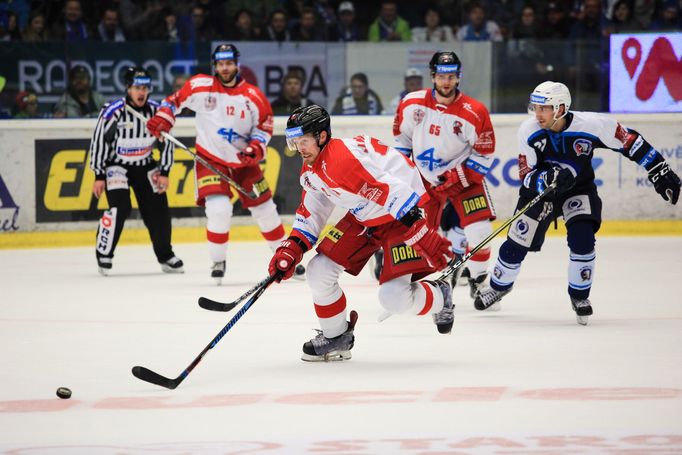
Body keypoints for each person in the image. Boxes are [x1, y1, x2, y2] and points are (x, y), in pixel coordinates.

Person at [474, 81, 681, 324]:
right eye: (536, 107)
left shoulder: (593, 125)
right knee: (516, 242)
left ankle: (580, 296)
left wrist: (658, 168)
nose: (537, 114)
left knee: (582, 239)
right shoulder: (528, 130)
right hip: (542, 193)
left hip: (578, 189)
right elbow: (525, 173)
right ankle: (499, 287)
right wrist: (545, 179)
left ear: (560, 109)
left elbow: (630, 142)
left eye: (544, 108)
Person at [268, 105, 455, 362]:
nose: (299, 148)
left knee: (394, 298)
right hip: (366, 214)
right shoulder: (312, 168)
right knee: (318, 272)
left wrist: (417, 228)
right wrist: (291, 249)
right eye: (295, 142)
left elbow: (392, 190)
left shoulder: (341, 161)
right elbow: (312, 213)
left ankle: (440, 296)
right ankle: (336, 337)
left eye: (304, 141)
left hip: (404, 212)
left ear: (322, 137)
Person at [146, 44, 303, 284]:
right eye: (220, 64)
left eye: (229, 63)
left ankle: (284, 258)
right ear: (215, 65)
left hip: (244, 162)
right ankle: (218, 260)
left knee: (265, 210)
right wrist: (163, 119)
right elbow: (173, 101)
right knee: (219, 210)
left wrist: (255, 148)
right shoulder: (200, 87)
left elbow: (264, 126)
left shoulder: (253, 96)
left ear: (237, 64)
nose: (225, 68)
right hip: (211, 162)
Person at [391, 51, 497, 304]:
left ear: (458, 77)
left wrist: (459, 175)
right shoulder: (411, 103)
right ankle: (419, 283)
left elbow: (484, 153)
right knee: (418, 233)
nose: (446, 82)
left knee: (480, 230)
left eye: (451, 76)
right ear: (433, 77)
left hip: (463, 178)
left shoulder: (475, 111)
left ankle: (479, 280)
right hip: (425, 179)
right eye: (441, 76)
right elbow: (401, 139)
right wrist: (406, 173)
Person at [89, 67, 184, 276]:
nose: (142, 92)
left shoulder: (157, 111)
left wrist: (165, 171)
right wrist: (99, 175)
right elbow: (98, 142)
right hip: (117, 167)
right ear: (128, 88)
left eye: (145, 88)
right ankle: (104, 253)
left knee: (158, 208)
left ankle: (165, 255)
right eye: (137, 88)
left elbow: (167, 143)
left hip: (145, 165)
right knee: (119, 208)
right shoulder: (112, 111)